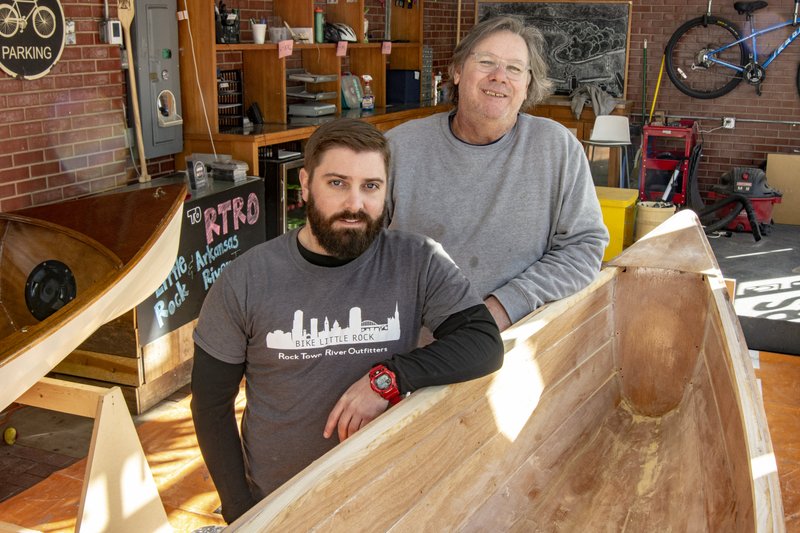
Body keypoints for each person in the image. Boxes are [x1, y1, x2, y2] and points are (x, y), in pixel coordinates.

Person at [190, 118, 504, 524]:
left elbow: (483, 343)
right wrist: (240, 512)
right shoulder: (246, 279)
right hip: (282, 506)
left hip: (386, 495)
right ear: (305, 184)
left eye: (370, 186)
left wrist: (387, 379)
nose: (355, 204)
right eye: (337, 183)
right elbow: (212, 405)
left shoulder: (418, 260)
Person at [386, 15, 610, 331]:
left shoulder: (556, 148)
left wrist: (502, 309)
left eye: (515, 68)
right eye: (487, 62)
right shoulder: (398, 147)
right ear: (458, 70)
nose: (500, 77)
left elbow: (583, 246)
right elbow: (356, 246)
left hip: (514, 337)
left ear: (528, 83)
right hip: (408, 341)